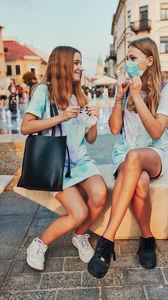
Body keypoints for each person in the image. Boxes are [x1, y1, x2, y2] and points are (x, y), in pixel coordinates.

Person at [88, 37, 168, 279]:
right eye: (127, 58)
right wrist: (120, 97)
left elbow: (157, 132)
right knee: (141, 181)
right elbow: (115, 129)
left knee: (135, 156)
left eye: (132, 58)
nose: (127, 63)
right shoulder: (127, 90)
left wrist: (138, 97)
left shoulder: (167, 91)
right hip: (125, 155)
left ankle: (107, 238)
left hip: (154, 153)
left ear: (149, 61)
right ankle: (147, 238)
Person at [21, 46, 107, 271]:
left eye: (81, 63)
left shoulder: (79, 94)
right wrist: (60, 117)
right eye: (76, 63)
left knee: (100, 194)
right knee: (79, 212)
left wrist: (95, 120)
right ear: (63, 64)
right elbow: (26, 127)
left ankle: (79, 236)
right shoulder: (43, 91)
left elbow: (90, 139)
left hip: (81, 161)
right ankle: (39, 244)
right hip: (56, 165)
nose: (80, 67)